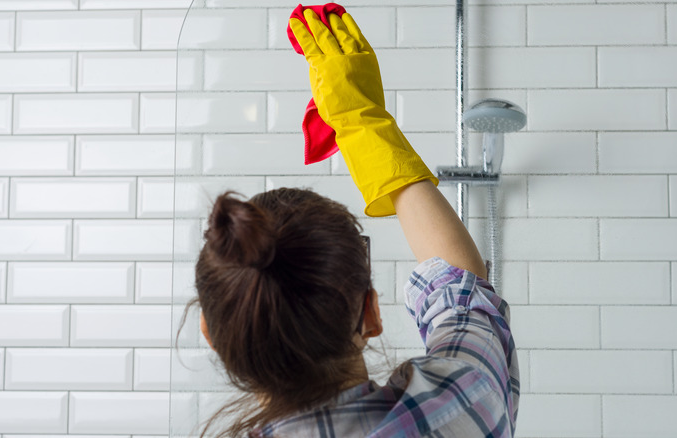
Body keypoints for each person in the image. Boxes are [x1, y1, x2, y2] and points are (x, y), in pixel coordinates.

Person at [178, 7, 519, 438]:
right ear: (371, 313)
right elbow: (464, 288)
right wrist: (364, 124)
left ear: (213, 338)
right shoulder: (458, 404)